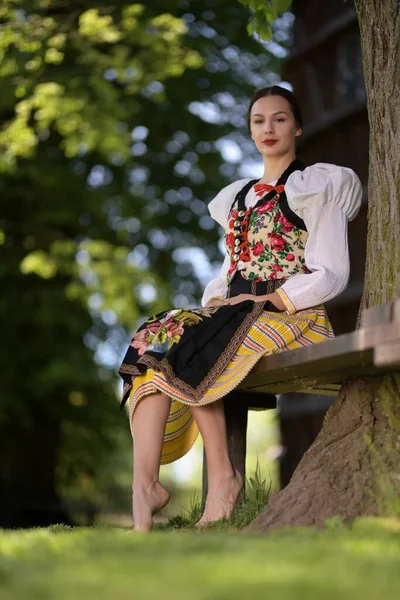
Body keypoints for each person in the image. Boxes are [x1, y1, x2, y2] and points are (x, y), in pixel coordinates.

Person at [118, 85, 362, 531]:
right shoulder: (238, 198)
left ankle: (224, 479)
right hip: (235, 314)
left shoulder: (314, 187)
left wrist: (269, 298)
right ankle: (144, 488)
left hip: (290, 314)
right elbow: (229, 270)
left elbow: (332, 274)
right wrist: (218, 305)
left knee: (193, 338)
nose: (268, 128)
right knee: (157, 333)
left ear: (298, 126)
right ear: (250, 131)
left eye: (280, 119)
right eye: (258, 121)